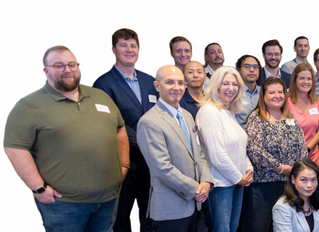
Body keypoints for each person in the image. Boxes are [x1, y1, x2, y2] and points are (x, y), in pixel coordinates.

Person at [5, 45, 128, 232]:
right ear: (46, 71)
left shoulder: (100, 96)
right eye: (59, 66)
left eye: (72, 64)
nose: (67, 70)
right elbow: (15, 148)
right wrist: (39, 188)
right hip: (64, 204)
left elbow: (120, 129)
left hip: (108, 200)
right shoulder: (29, 106)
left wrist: (124, 165)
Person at [92, 28, 156, 232]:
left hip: (151, 163)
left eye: (133, 45)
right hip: (123, 162)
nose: (129, 50)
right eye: (123, 45)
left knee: (151, 214)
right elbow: (109, 123)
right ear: (113, 49)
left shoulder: (150, 81)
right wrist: (146, 141)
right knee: (120, 217)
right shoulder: (103, 84)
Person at [137, 65, 214, 232]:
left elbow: (198, 153)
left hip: (195, 205)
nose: (176, 87)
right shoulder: (149, 121)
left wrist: (207, 181)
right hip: (170, 209)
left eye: (180, 83)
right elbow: (162, 168)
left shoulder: (187, 115)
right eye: (170, 82)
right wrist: (195, 189)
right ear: (157, 86)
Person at [241, 78, 308, 232]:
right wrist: (280, 168)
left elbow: (301, 145)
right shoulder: (257, 117)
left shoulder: (289, 116)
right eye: (272, 92)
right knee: (260, 226)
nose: (277, 96)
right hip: (264, 185)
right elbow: (254, 149)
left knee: (283, 226)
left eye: (280, 92)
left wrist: (297, 170)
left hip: (289, 183)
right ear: (263, 96)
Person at [196, 66, 254, 232]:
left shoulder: (228, 112)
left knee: (232, 228)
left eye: (234, 84)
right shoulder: (209, 111)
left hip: (236, 181)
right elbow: (216, 155)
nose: (231, 88)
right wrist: (239, 178)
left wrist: (248, 169)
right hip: (220, 185)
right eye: (225, 84)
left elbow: (240, 147)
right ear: (216, 86)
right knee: (221, 229)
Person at [287, 62, 319, 165]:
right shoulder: (286, 102)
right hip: (290, 159)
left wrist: (307, 149)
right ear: (295, 80)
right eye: (301, 78)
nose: (306, 82)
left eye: (309, 79)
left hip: (312, 158)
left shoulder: (317, 102)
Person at [272, 159, 319, 232]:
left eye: (313, 180)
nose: (309, 185)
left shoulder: (313, 201)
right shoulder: (282, 207)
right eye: (304, 180)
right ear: (293, 179)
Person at [234, 55, 262, 127]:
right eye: (246, 66)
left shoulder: (264, 92)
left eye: (255, 67)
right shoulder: (233, 93)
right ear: (238, 70)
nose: (252, 70)